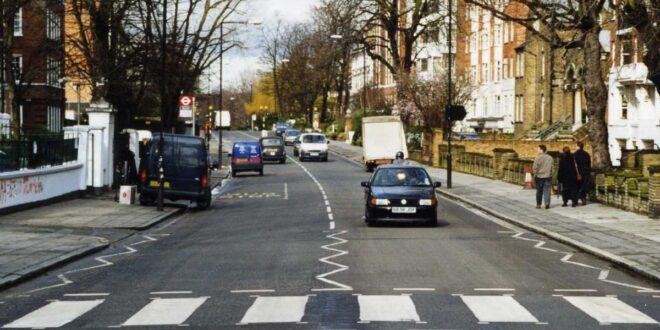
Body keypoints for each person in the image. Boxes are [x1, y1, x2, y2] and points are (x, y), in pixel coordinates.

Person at [532, 145, 553, 209]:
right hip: (547, 176)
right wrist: (551, 174)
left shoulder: (537, 158)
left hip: (539, 176)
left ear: (541, 150)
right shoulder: (550, 158)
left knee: (539, 191)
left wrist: (534, 174)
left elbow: (534, 168)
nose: (537, 150)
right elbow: (553, 168)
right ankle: (547, 203)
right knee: (547, 191)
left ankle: (538, 204)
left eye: (538, 149)